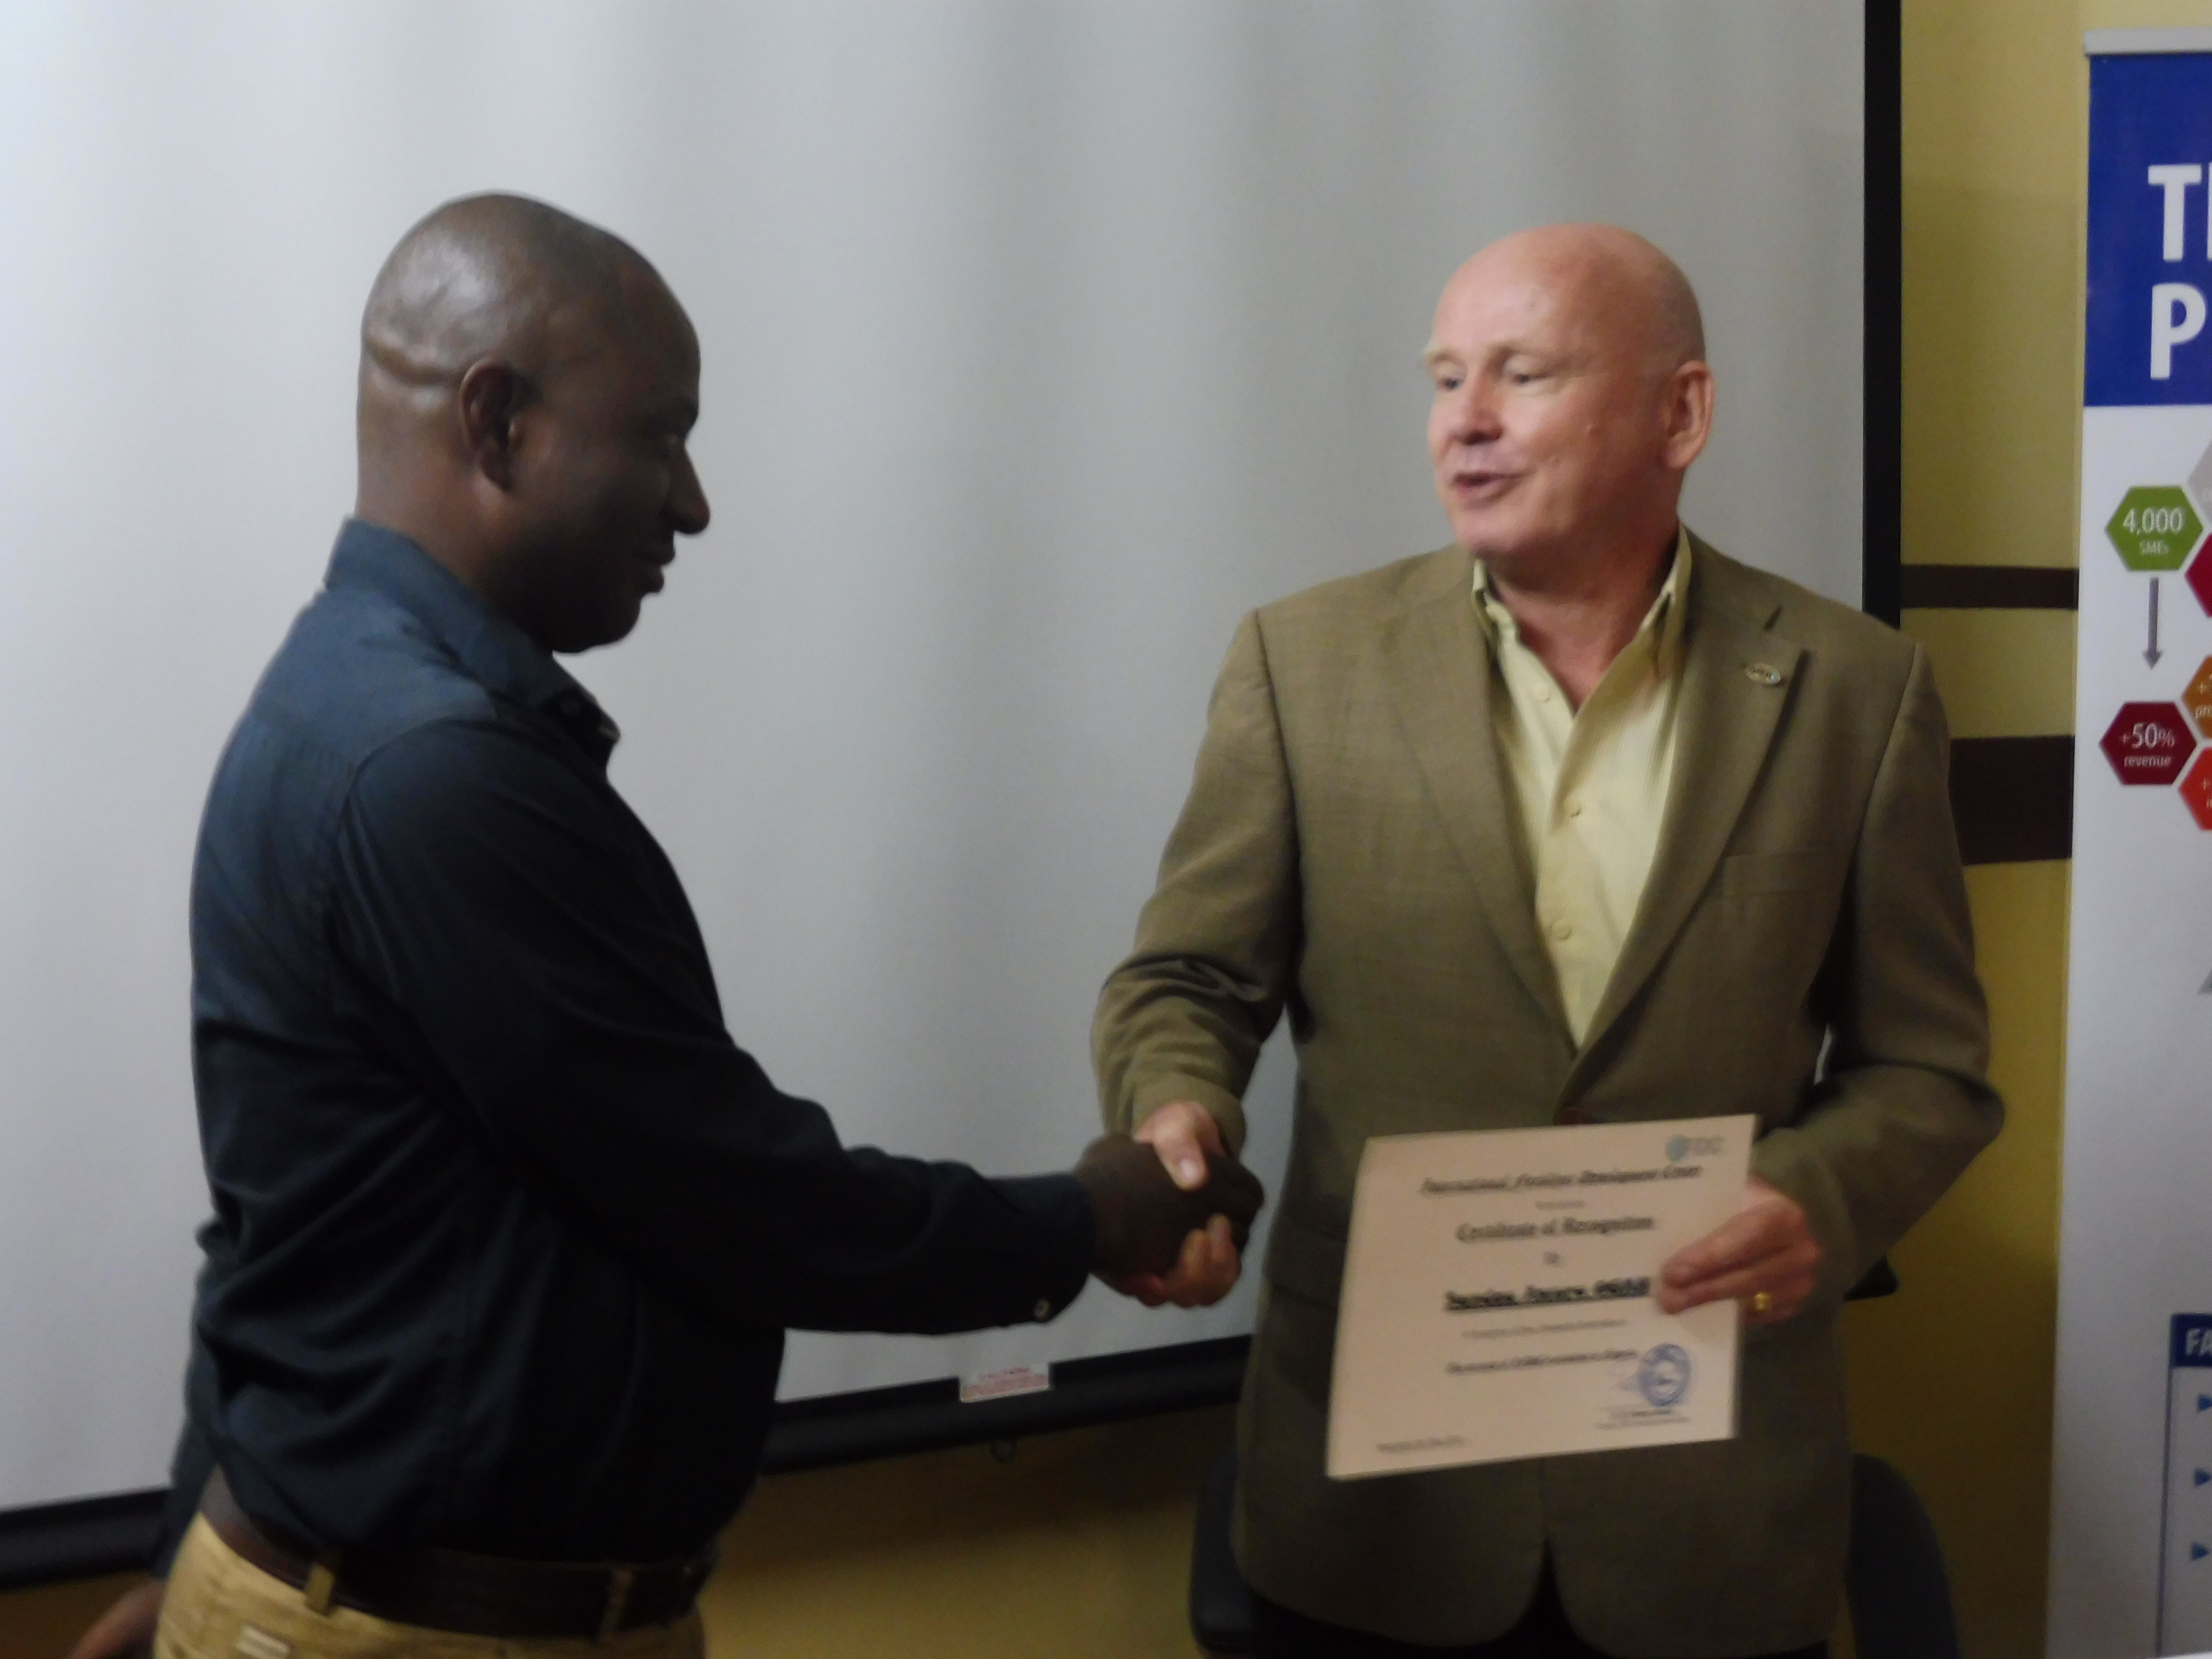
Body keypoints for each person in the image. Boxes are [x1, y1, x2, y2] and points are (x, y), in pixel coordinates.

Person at [70, 193, 1261, 1659]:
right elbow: (736, 1199)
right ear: (498, 423)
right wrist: (1090, 1218)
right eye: (660, 436)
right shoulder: (433, 775)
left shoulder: (345, 703)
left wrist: (187, 1519)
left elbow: (278, 1221)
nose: (691, 503)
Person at [1091, 224, 2002, 1658]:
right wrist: (1177, 1111)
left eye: (1524, 373)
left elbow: (1930, 1067)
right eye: (1446, 377)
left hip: (1706, 1505)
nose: (1465, 420)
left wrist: (1815, 1198)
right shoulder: (1304, 663)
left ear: (1680, 413)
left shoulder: (1853, 692)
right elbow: (1190, 982)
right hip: (1378, 1506)